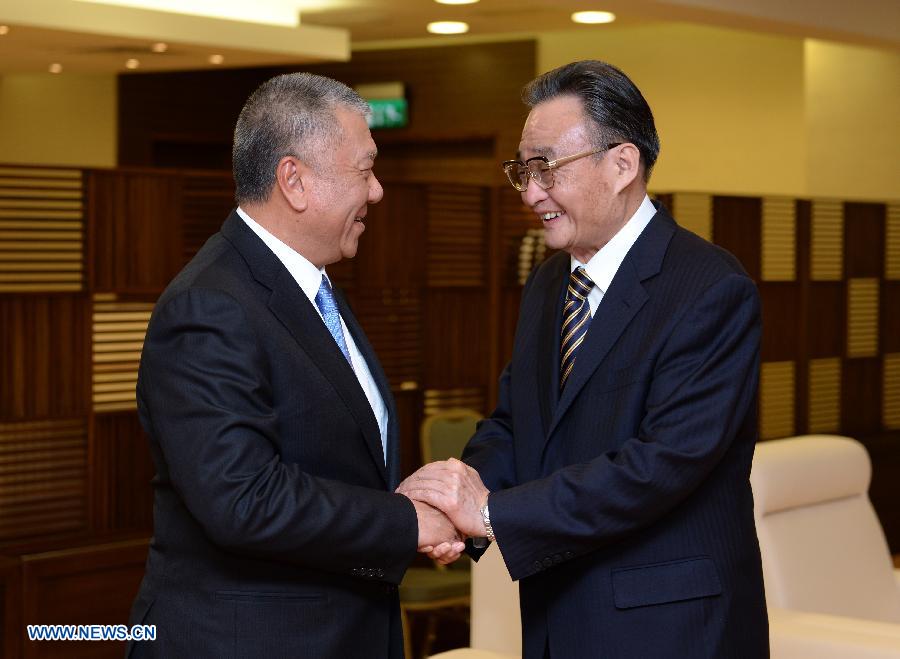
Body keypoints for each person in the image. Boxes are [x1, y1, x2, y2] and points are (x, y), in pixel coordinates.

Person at [398, 60, 769, 658]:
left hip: (670, 630)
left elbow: (659, 466)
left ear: (622, 165)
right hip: (557, 614)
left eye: (546, 168)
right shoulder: (551, 283)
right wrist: (450, 501)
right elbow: (518, 423)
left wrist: (490, 514)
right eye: (522, 170)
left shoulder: (708, 288)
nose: (529, 192)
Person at [126, 72, 462, 659]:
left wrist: (406, 511)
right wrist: (404, 523)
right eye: (365, 170)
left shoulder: (308, 286)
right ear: (294, 180)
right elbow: (244, 499)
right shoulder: (209, 306)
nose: (378, 191)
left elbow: (333, 458)